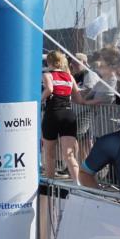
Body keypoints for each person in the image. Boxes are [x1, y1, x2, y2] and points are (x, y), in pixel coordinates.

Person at [41, 51, 84, 184]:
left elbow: (49, 89)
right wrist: (92, 102)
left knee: (49, 152)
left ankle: (50, 182)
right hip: (68, 114)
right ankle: (78, 184)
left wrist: (39, 100)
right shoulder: (69, 77)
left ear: (49, 62)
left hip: (52, 114)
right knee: (69, 154)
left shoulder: (47, 74)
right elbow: (79, 98)